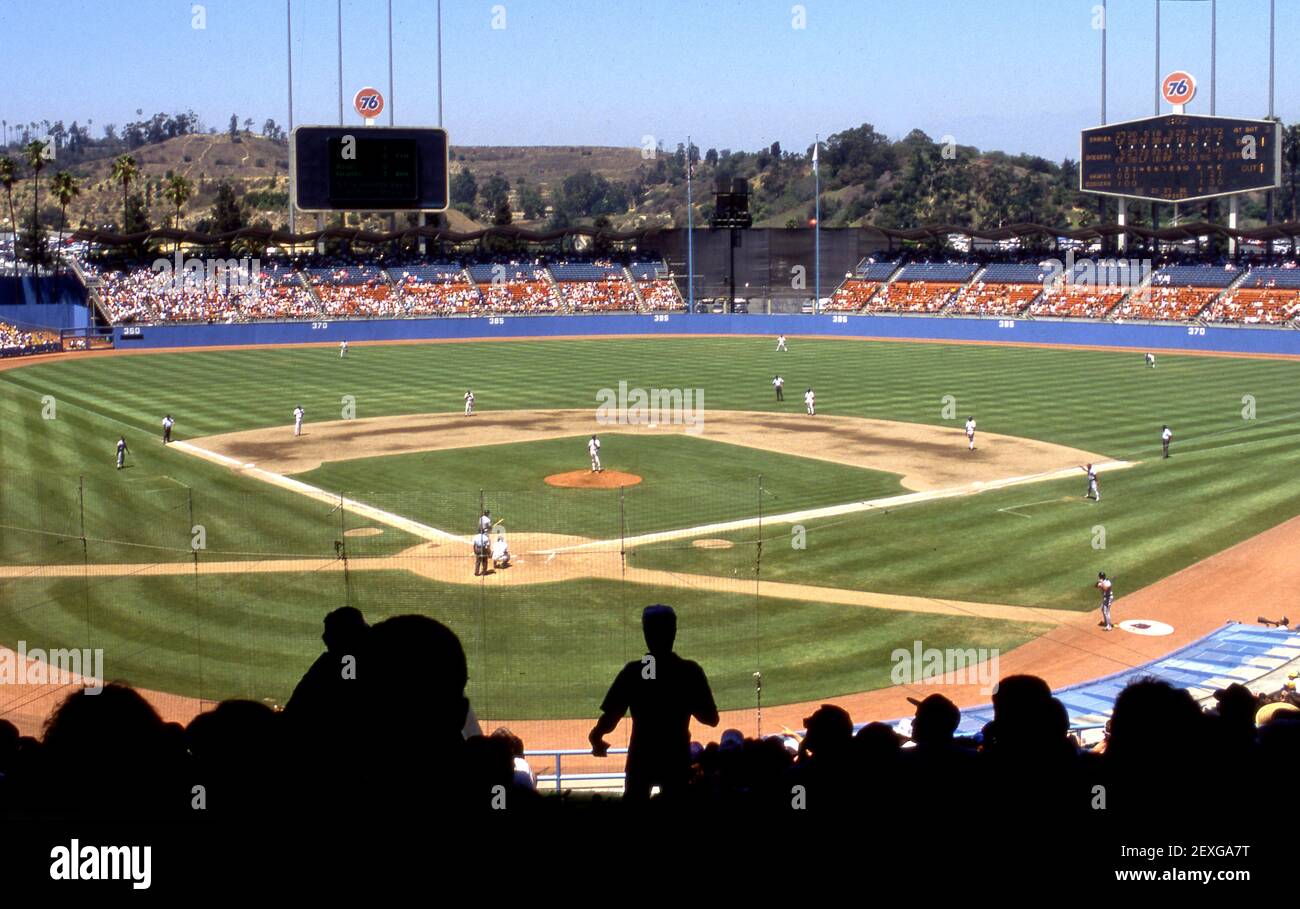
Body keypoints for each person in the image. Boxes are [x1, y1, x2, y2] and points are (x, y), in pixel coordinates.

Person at [589, 604, 719, 802]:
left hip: (641, 758)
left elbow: (611, 716)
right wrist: (684, 694)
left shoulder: (634, 671)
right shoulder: (689, 671)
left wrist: (596, 736)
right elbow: (711, 719)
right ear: (674, 632)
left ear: (646, 633)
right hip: (675, 759)